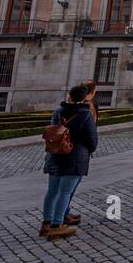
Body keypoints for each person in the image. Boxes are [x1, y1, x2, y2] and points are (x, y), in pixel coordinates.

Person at [40, 83, 98, 240]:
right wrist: (88, 151)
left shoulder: (58, 111)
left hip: (55, 154)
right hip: (75, 157)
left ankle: (46, 223)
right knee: (65, 191)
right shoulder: (85, 115)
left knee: (52, 191)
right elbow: (92, 140)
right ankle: (57, 225)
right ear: (84, 98)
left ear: (70, 97)